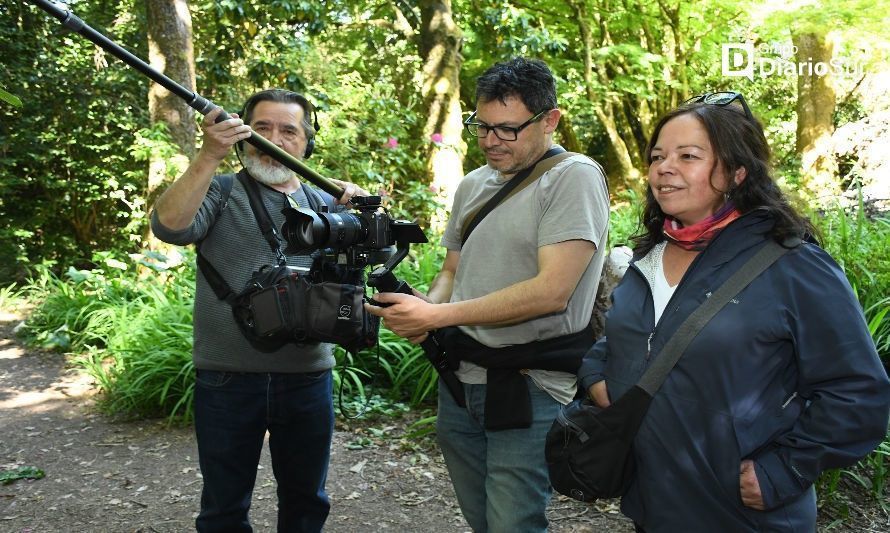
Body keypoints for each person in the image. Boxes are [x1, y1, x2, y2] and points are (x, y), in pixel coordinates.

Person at [578, 92, 890, 532]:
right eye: (657, 156)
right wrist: (597, 378)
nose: (663, 168)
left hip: (740, 518)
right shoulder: (648, 259)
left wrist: (783, 471)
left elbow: (859, 393)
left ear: (736, 172)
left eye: (688, 156)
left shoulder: (793, 266)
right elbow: (621, 340)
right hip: (651, 506)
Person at [367, 58, 610, 532]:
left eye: (507, 129)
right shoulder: (473, 184)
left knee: (512, 524)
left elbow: (551, 292)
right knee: (484, 521)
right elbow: (453, 272)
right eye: (482, 127)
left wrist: (436, 317)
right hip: (460, 380)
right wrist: (425, 308)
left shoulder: (573, 177)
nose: (491, 140)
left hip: (531, 383)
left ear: (550, 120)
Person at [151, 89, 366, 532]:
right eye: (262, 128)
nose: (275, 138)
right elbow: (169, 227)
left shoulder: (327, 201)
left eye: (289, 130)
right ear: (244, 135)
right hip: (226, 377)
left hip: (308, 376)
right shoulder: (221, 189)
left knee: (307, 502)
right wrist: (210, 154)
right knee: (223, 508)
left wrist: (361, 212)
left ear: (308, 142)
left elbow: (374, 262)